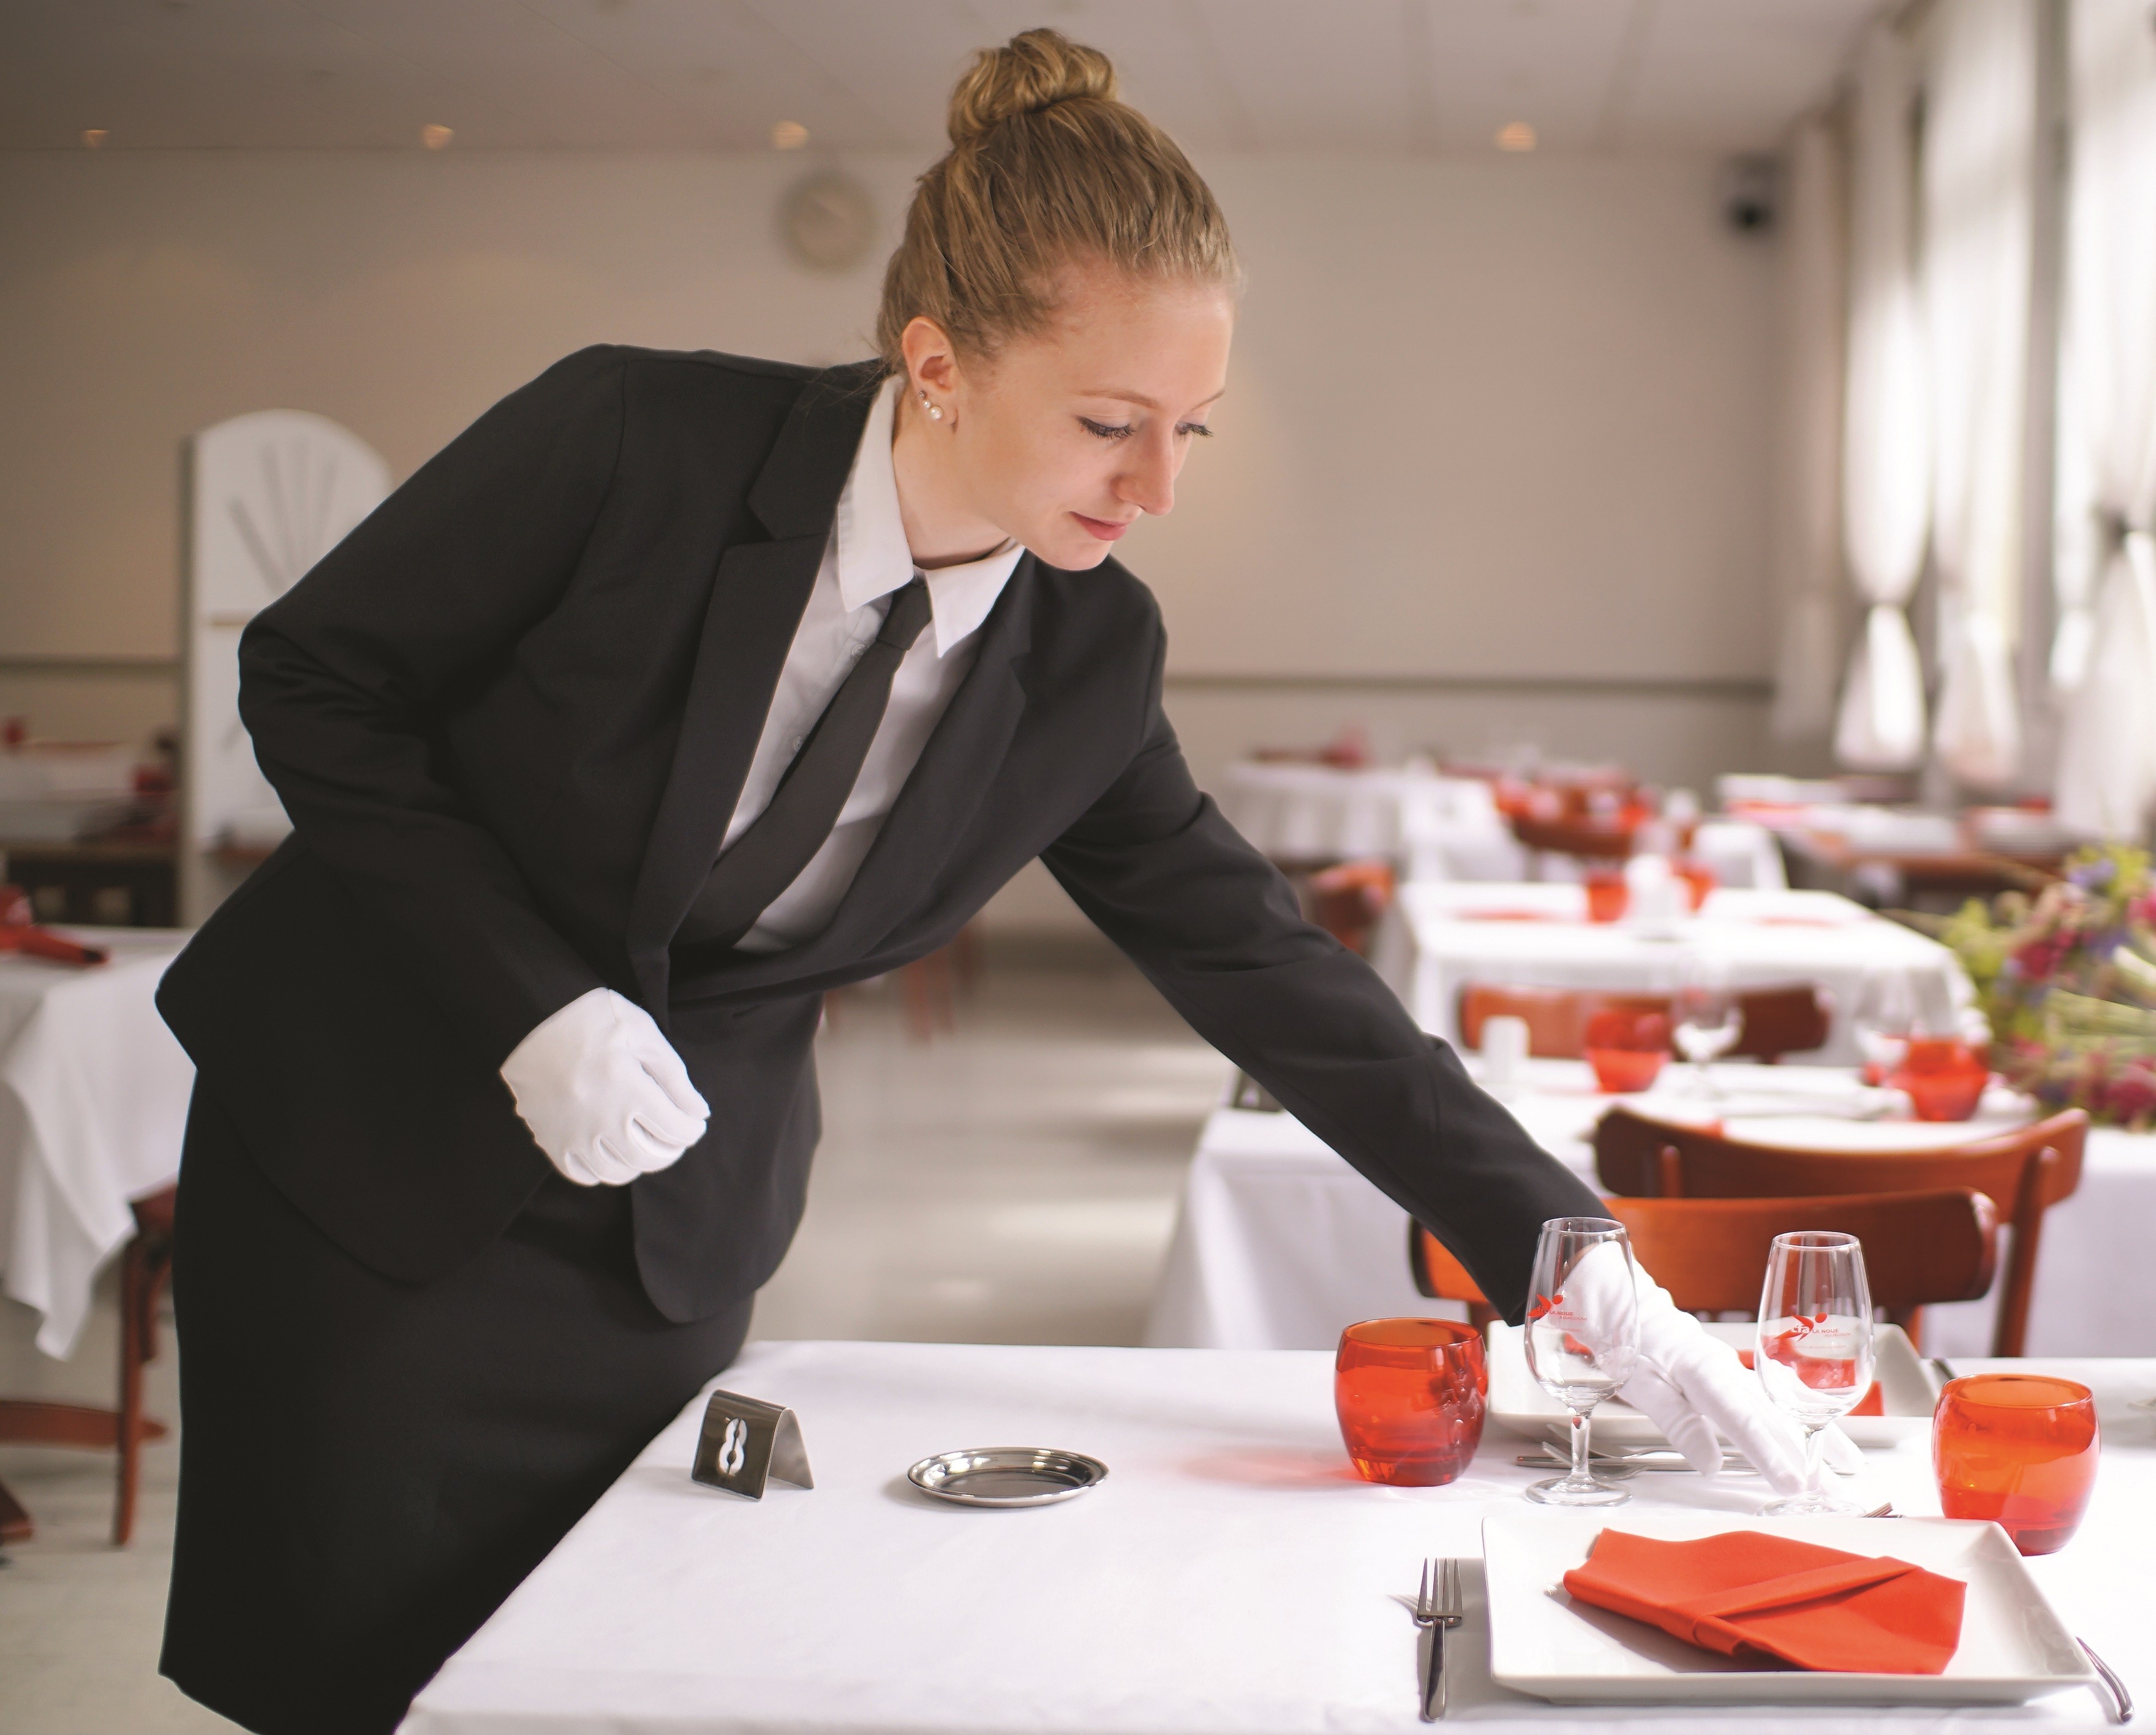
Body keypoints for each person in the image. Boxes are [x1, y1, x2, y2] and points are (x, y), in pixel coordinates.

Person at [154, 29, 1836, 1735]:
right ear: (939, 362)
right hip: (361, 1178)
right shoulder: (633, 439)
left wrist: (1578, 1266)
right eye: (1110, 422)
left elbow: (1266, 969)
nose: (1161, 485)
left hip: (658, 1248)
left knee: (607, 1672)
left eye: (1192, 427)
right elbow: (315, 678)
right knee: (347, 1683)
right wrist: (534, 1006)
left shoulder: (1083, 657)